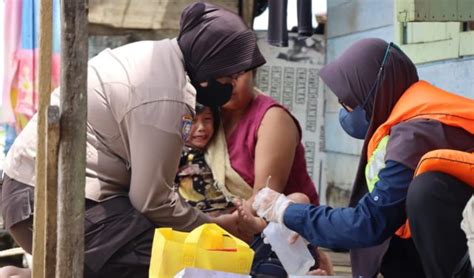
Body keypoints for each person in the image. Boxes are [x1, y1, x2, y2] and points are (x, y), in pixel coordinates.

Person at [0, 2, 267, 277]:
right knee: (171, 262)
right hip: (44, 201)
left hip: (36, 194)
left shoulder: (160, 59)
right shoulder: (166, 93)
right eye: (229, 72)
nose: (231, 82)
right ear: (210, 58)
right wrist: (214, 228)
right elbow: (152, 201)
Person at [252, 38, 474, 278]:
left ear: (371, 93)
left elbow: (369, 223)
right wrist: (308, 225)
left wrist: (287, 211)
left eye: (348, 101)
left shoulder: (416, 135)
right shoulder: (410, 117)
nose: (345, 111)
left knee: (422, 193)